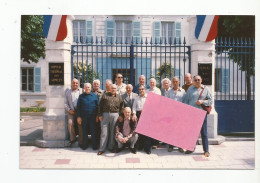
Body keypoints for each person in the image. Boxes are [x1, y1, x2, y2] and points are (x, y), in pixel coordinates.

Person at [184, 75, 212, 157]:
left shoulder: (206, 89)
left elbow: (210, 101)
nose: (197, 81)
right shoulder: (190, 89)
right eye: (195, 80)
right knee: (192, 132)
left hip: (202, 113)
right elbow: (186, 100)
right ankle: (190, 148)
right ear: (193, 81)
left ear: (201, 80)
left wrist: (202, 101)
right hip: (192, 113)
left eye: (198, 80)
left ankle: (206, 150)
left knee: (204, 133)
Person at [97, 84, 124, 155]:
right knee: (104, 132)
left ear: (116, 89)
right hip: (105, 114)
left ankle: (111, 147)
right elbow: (100, 105)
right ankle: (102, 148)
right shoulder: (105, 95)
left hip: (115, 115)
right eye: (112, 88)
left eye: (115, 88)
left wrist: (121, 115)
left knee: (112, 131)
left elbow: (122, 106)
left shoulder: (119, 97)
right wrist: (99, 114)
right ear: (110, 88)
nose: (113, 89)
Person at [76, 83, 99, 150]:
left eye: (88, 87)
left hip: (93, 117)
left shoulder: (94, 96)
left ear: (91, 88)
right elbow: (78, 107)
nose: (87, 88)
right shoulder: (81, 96)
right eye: (86, 87)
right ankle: (85, 145)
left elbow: (98, 106)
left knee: (93, 131)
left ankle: (94, 145)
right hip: (84, 117)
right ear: (84, 88)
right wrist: (79, 116)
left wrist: (97, 115)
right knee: (84, 131)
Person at [166, 77, 186, 152]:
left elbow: (185, 102)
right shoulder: (169, 91)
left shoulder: (183, 91)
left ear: (179, 82)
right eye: (173, 81)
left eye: (176, 81)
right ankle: (171, 146)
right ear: (172, 82)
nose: (175, 83)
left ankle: (180, 146)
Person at [132, 85, 152, 154]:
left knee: (147, 132)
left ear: (145, 90)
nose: (141, 90)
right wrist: (134, 114)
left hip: (147, 114)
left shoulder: (148, 98)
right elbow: (134, 107)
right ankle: (140, 146)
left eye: (142, 89)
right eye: (140, 89)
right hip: (138, 114)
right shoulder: (136, 98)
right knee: (139, 132)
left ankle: (147, 148)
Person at [64, 78, 83, 146]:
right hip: (71, 111)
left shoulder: (82, 91)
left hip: (80, 112)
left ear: (78, 84)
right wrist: (69, 110)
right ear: (71, 84)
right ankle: (73, 139)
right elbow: (65, 103)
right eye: (73, 83)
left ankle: (81, 139)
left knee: (80, 124)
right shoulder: (68, 92)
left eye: (76, 83)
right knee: (70, 123)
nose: (75, 84)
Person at [147, 78, 161, 148]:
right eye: (151, 82)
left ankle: (156, 143)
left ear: (155, 83)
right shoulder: (147, 90)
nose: (152, 83)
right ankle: (151, 142)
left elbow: (157, 100)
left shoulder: (158, 90)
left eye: (153, 82)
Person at [92, 79, 104, 148]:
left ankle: (100, 143)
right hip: (92, 113)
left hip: (100, 113)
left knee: (100, 129)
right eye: (94, 84)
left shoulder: (102, 92)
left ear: (99, 85)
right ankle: (95, 143)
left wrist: (99, 115)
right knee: (94, 129)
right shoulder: (91, 92)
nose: (96, 85)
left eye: (97, 84)